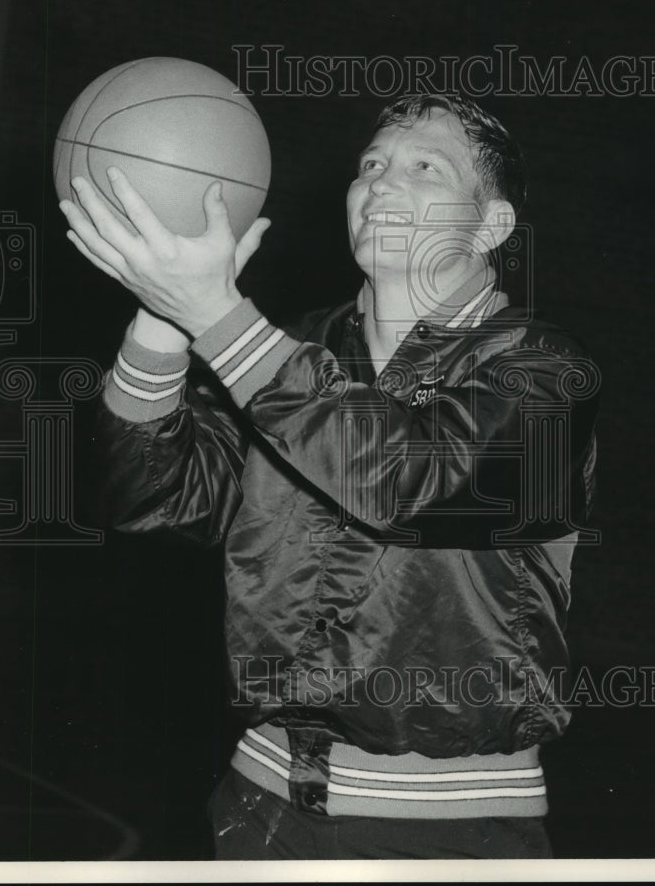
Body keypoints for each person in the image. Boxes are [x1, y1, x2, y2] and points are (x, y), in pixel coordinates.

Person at [61, 93, 599, 860]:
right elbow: (147, 496)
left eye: (424, 169)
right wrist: (163, 319)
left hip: (444, 832)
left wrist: (215, 311)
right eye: (370, 166)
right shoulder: (285, 351)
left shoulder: (546, 373)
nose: (381, 184)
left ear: (491, 227)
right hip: (254, 808)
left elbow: (406, 483)